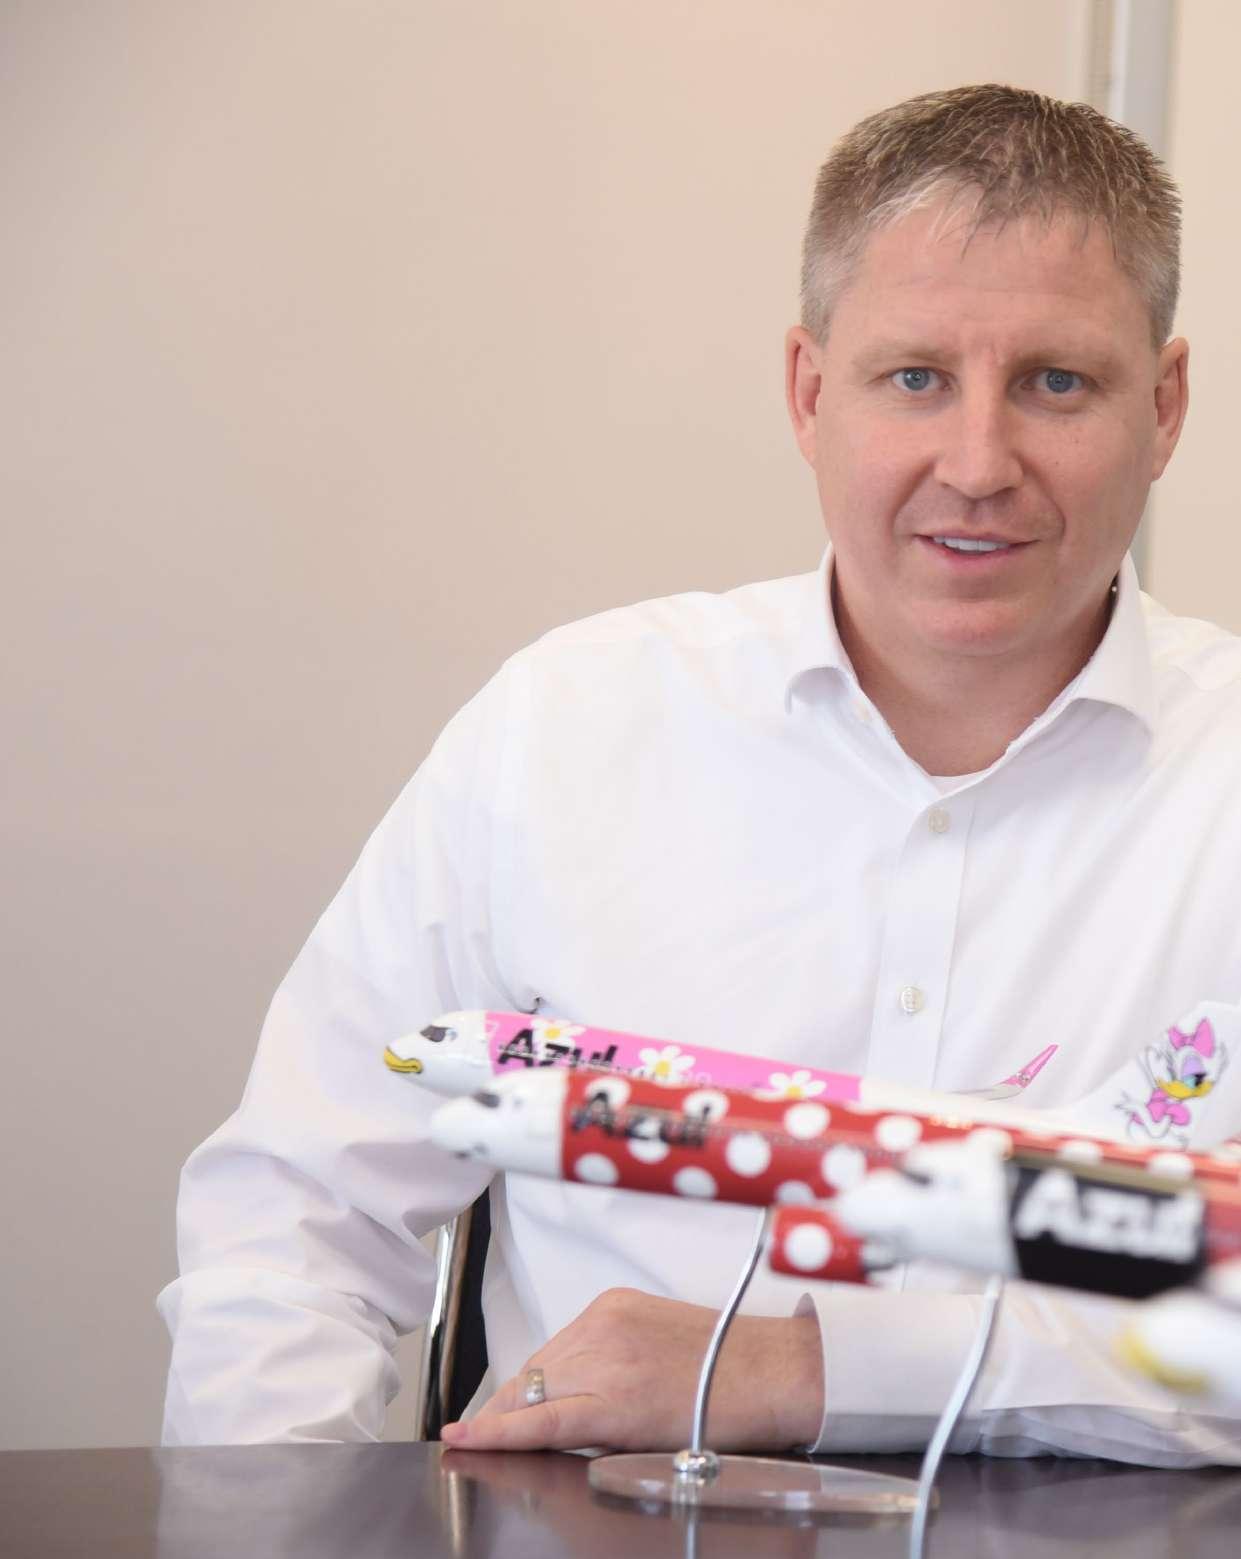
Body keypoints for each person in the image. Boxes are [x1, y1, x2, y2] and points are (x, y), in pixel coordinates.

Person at [159, 84, 1241, 1464]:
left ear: (1164, 407)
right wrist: (271, 1524)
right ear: (809, 393)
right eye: (914, 378)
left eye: (1056, 383)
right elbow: (297, 1218)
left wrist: (807, 1369)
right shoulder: (568, 727)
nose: (977, 464)